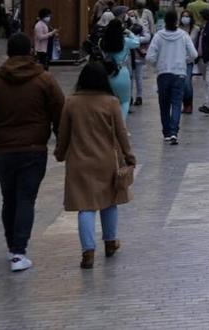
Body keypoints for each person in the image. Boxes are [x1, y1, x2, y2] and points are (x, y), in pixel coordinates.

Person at [0, 33, 66, 273]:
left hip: (3, 151)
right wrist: (59, 142)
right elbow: (60, 112)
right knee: (26, 198)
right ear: (30, 52)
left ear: (8, 53)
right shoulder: (44, 80)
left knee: (9, 197)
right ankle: (18, 251)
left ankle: (12, 246)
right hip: (33, 149)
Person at [54, 63, 136, 269]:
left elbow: (63, 133)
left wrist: (60, 153)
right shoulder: (111, 102)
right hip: (106, 160)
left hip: (79, 162)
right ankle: (110, 242)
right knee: (109, 201)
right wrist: (129, 155)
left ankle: (88, 252)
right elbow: (121, 133)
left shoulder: (71, 102)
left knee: (85, 207)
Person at [145, 10, 198, 145]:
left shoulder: (158, 36)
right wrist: (183, 60)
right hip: (179, 74)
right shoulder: (183, 35)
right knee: (176, 103)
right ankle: (174, 132)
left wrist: (159, 64)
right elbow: (193, 54)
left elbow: (149, 57)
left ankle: (166, 132)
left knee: (164, 105)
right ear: (176, 21)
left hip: (163, 74)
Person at [100, 20, 140, 119]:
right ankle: (121, 126)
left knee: (107, 102)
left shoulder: (102, 41)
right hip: (122, 72)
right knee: (124, 102)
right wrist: (129, 32)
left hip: (107, 72)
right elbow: (137, 42)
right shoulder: (125, 41)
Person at [179, 9, 198, 114]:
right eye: (183, 16)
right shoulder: (177, 29)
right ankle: (184, 104)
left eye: (187, 16)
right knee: (181, 83)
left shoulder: (195, 29)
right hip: (179, 60)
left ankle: (189, 104)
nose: (185, 18)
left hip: (189, 60)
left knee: (187, 83)